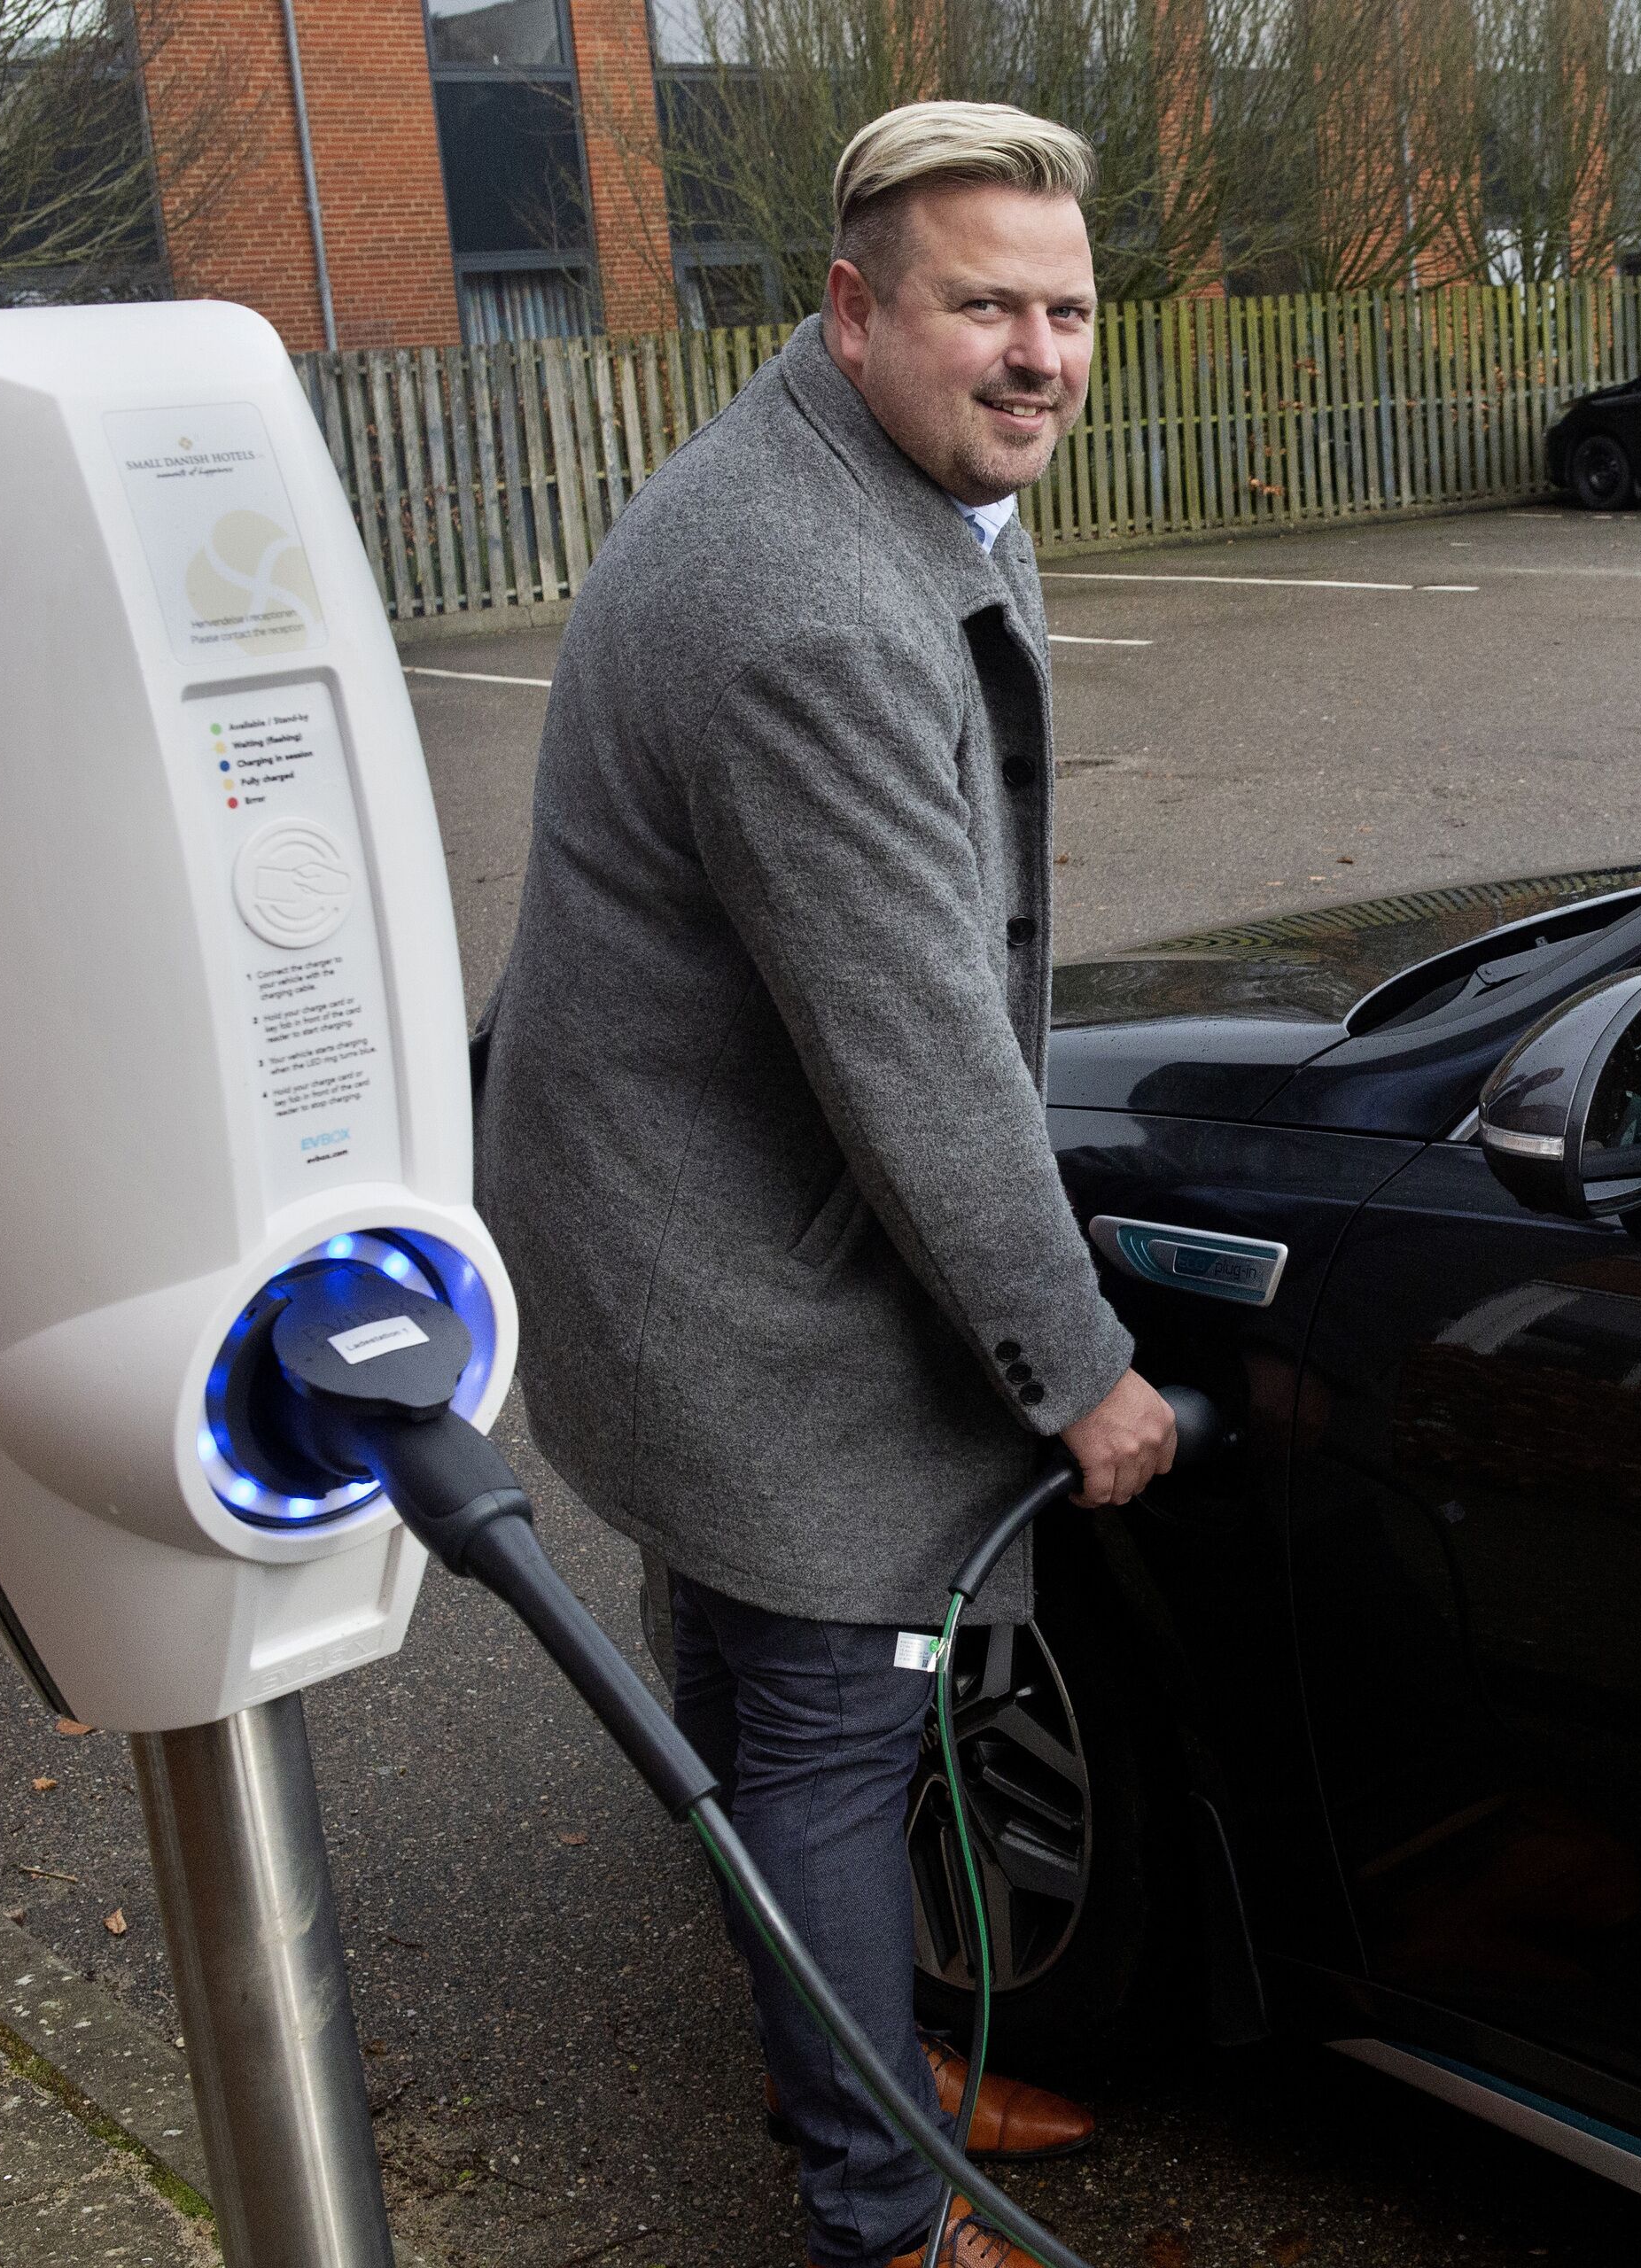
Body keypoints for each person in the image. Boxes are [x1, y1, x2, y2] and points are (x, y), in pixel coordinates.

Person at [475, 101, 1177, 2268]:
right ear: (856, 308)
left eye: (1067, 309)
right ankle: (883, 2203)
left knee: (765, 1702)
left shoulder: (903, 478)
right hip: (731, 1270)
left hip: (677, 1198)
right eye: (988, 306)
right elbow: (917, 1052)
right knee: (823, 1738)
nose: (1041, 353)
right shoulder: (806, 602)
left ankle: (858, 2051)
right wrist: (1083, 1372)